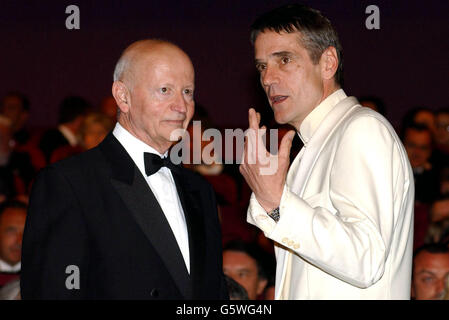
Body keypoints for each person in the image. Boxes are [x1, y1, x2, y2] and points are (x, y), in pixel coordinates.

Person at [21, 39, 228, 299]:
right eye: (165, 90)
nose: (181, 106)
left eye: (188, 92)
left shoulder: (200, 190)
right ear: (123, 96)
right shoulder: (69, 183)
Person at [240, 4, 414, 299]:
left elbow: (365, 259)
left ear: (328, 63)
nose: (268, 79)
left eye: (284, 60)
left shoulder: (361, 129)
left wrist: (276, 203)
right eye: (261, 66)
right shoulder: (312, 147)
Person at [38, 96, 90, 164]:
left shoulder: (51, 137)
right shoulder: (52, 140)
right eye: (89, 119)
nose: (90, 125)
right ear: (79, 119)